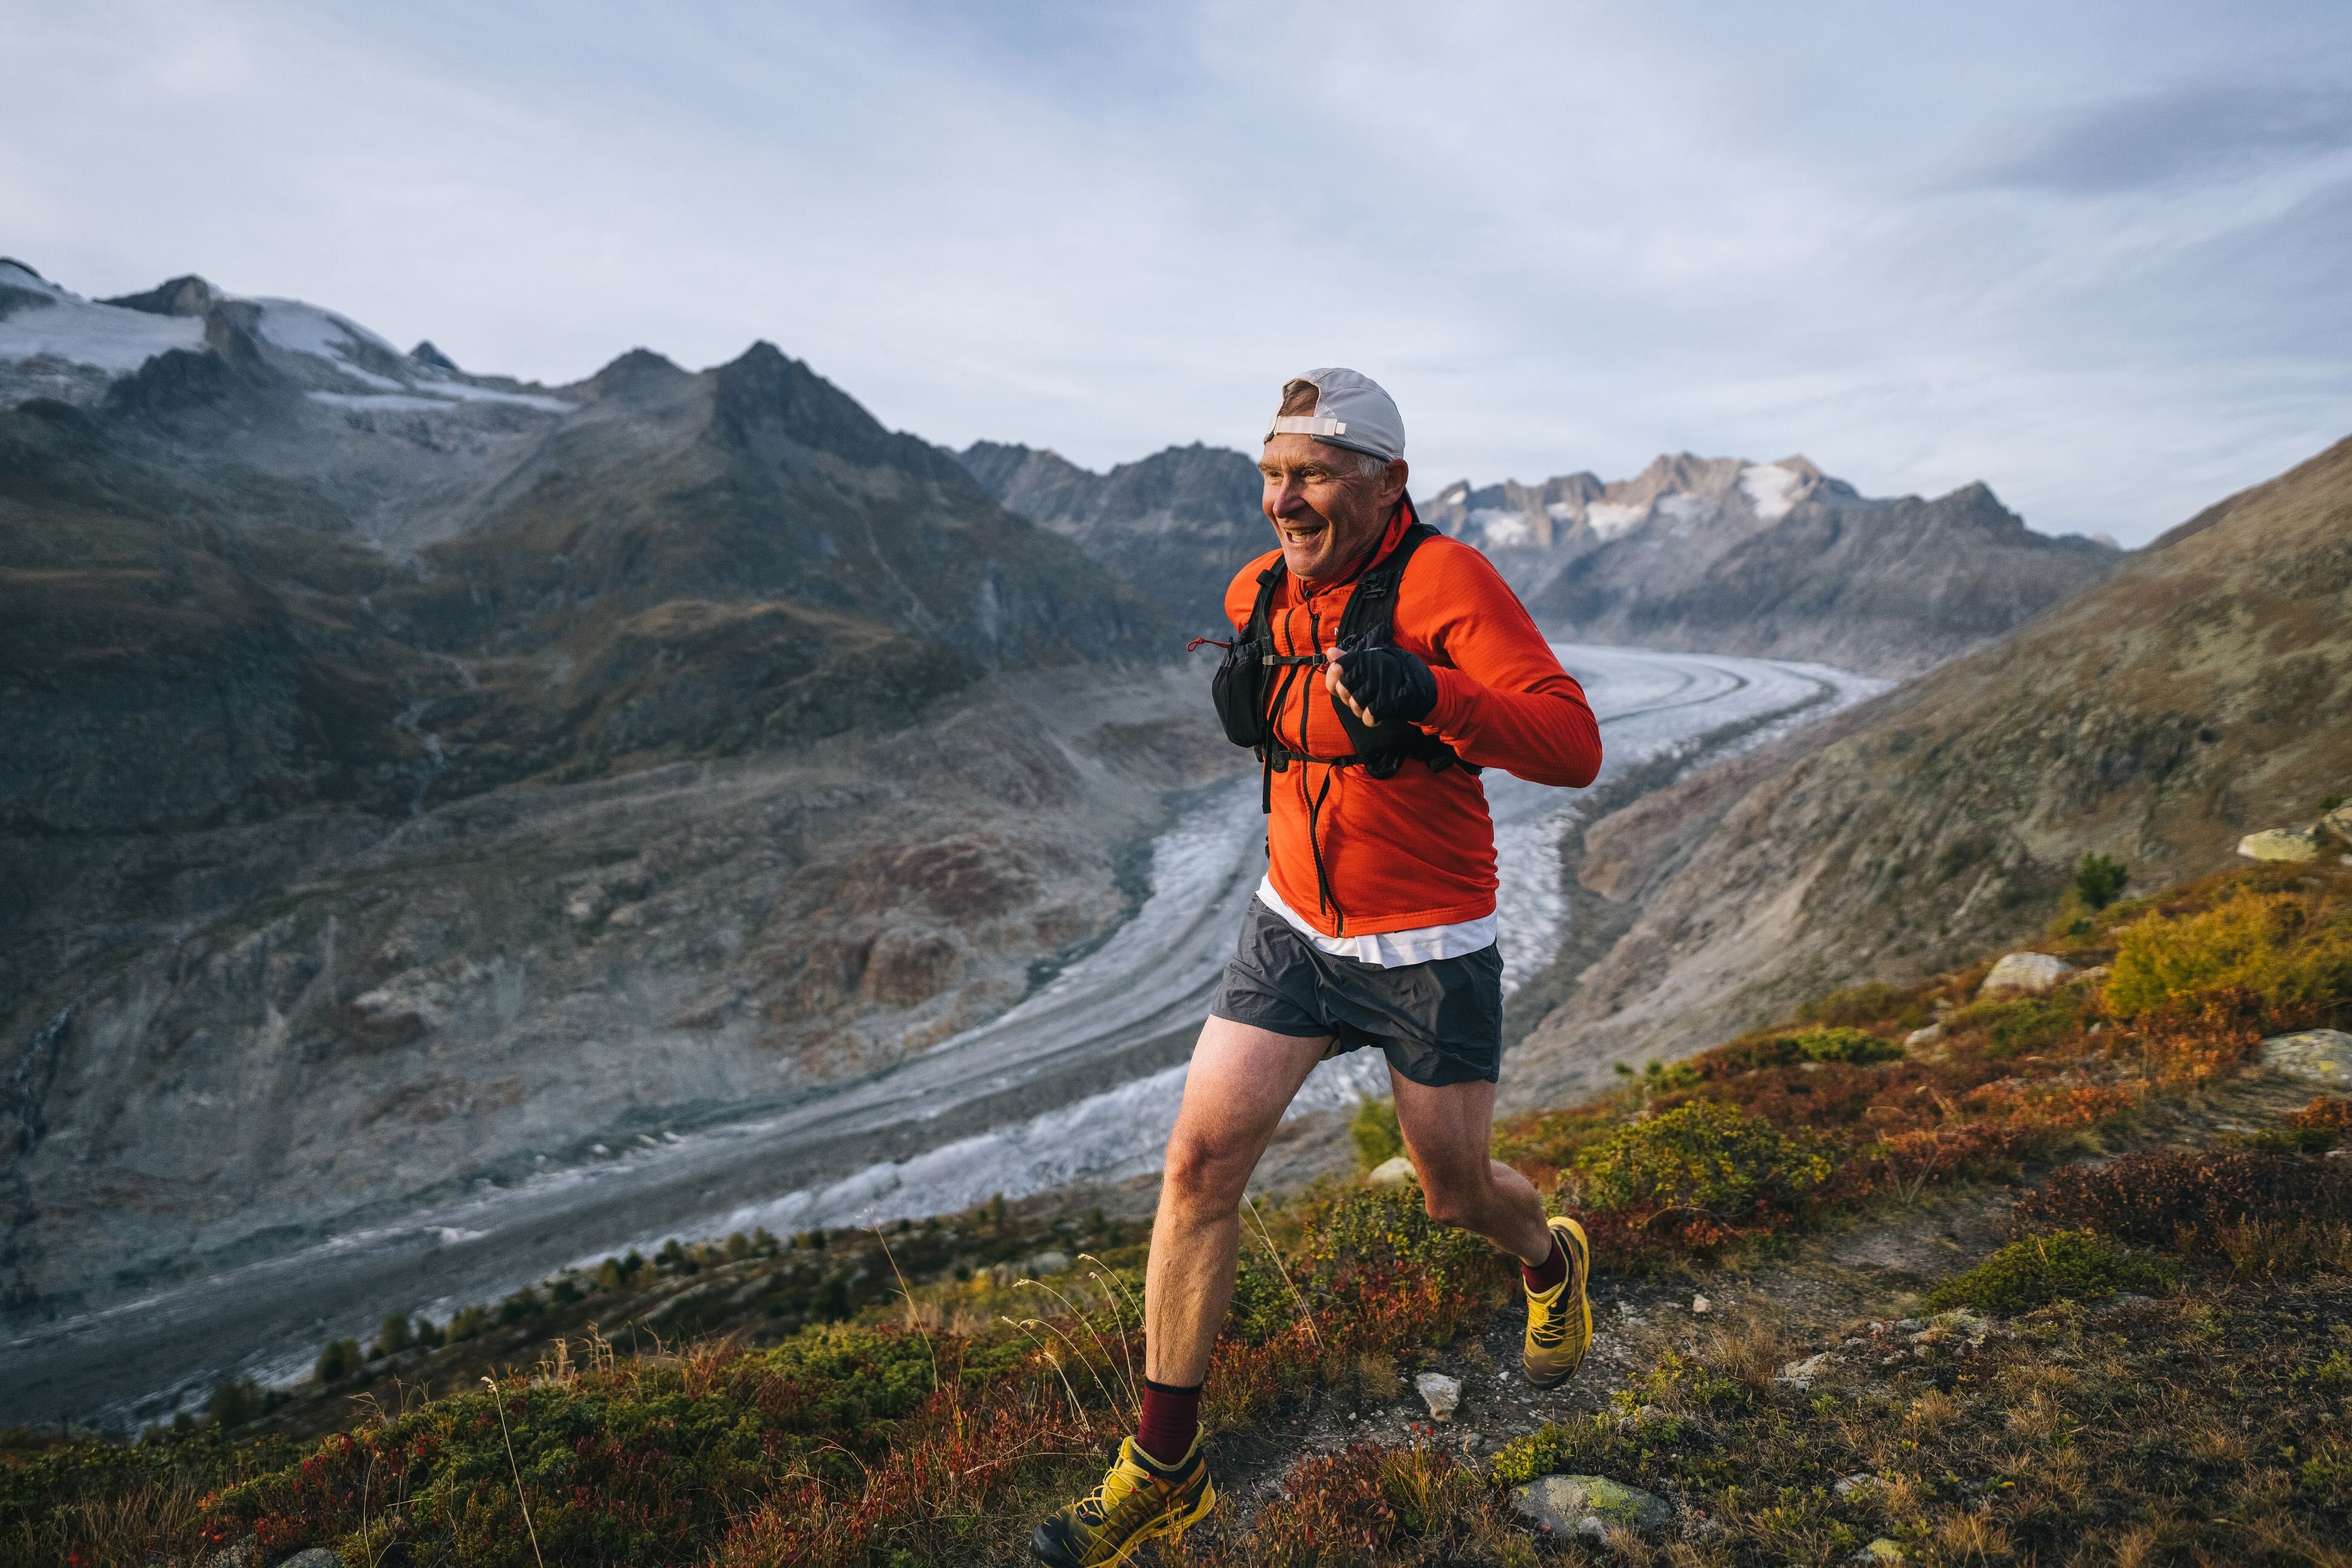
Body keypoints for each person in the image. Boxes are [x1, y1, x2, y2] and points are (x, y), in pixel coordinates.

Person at [1032, 369, 1605, 1567]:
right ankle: (1166, 1467)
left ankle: (1550, 1258)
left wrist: (1434, 693)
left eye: (1313, 476)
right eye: (1272, 474)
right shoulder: (1257, 591)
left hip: (1428, 945)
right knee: (1198, 1167)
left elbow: (1572, 744)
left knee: (1453, 1192)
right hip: (1291, 927)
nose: (1284, 499)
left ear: (1388, 482)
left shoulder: (1448, 582)